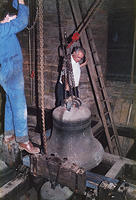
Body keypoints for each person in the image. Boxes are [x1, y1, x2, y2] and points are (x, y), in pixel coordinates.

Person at [0, 0, 40, 154]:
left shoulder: (3, 28)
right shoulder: (3, 29)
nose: (12, 18)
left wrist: (16, 3)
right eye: (10, 17)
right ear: (5, 18)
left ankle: (9, 135)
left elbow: (16, 17)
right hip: (12, 70)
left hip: (5, 71)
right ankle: (23, 140)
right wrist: (22, 1)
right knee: (20, 105)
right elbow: (23, 21)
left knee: (10, 102)